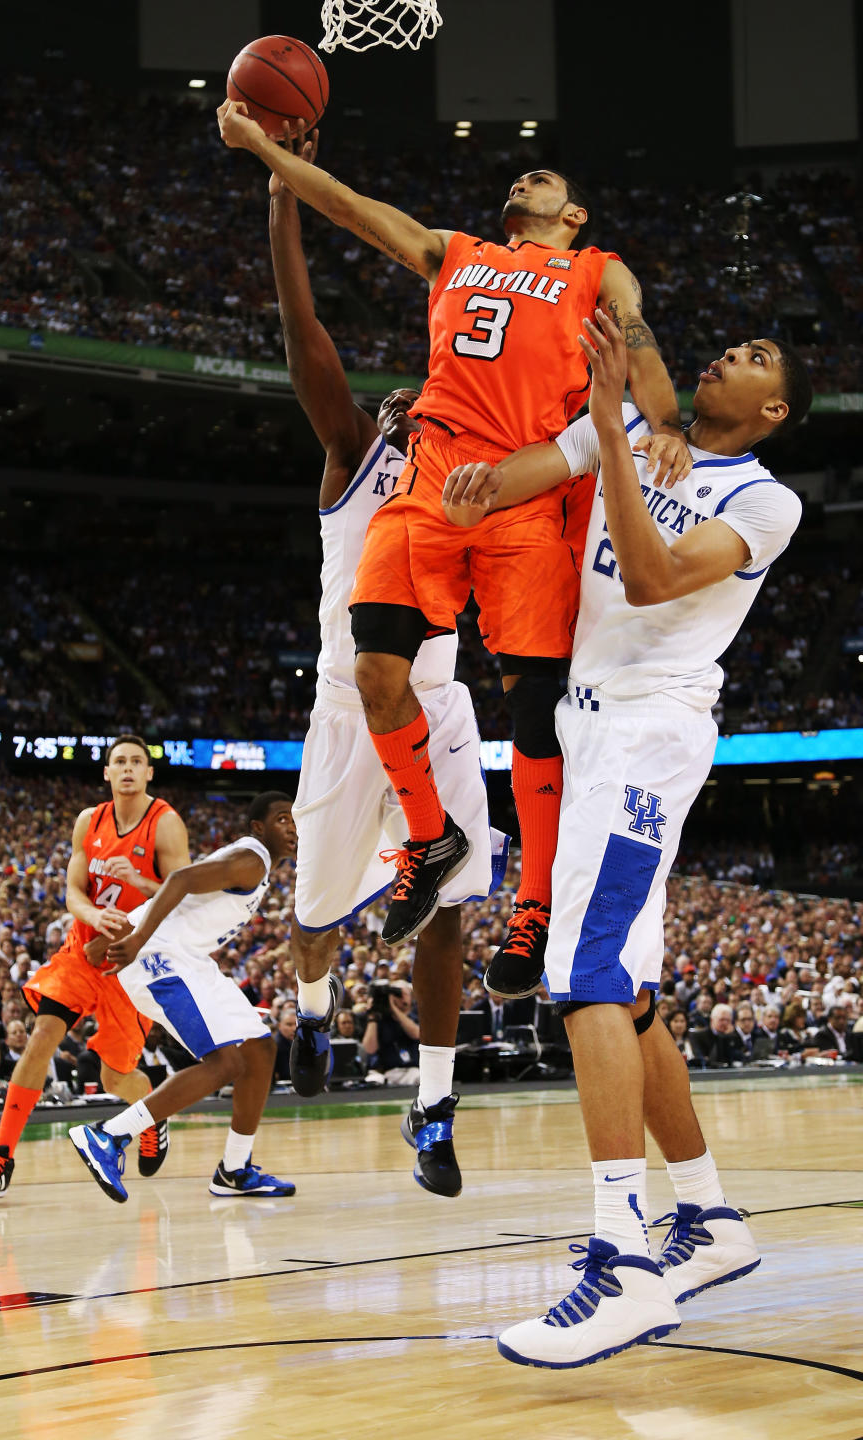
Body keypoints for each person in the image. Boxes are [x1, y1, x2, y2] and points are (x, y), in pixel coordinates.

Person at [218, 102, 690, 988]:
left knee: (533, 711)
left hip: (530, 488)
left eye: (542, 179)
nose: (524, 180)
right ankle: (430, 837)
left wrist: (665, 423)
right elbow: (358, 210)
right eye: (520, 176)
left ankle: (537, 906)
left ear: (575, 214)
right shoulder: (457, 250)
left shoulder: (597, 268)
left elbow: (641, 342)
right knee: (376, 674)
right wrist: (266, 155)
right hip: (433, 474)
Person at [444, 311, 811, 1367]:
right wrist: (463, 475)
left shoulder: (762, 500)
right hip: (588, 722)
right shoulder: (652, 433)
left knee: (586, 972)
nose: (724, 355)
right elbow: (540, 446)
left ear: (774, 410)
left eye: (750, 359)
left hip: (646, 731)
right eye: (726, 344)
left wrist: (610, 427)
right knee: (630, 992)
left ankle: (624, 1264)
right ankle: (707, 1218)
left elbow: (652, 579)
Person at [267, 123, 507, 1197]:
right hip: (344, 708)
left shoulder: (472, 486)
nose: (415, 406)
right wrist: (282, 181)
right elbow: (300, 322)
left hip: (440, 704)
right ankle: (314, 1013)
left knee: (451, 898)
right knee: (315, 916)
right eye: (400, 402)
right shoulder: (354, 465)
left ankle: (435, 1104)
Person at [0, 735, 190, 1204]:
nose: (127, 768)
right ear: (106, 773)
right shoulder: (90, 820)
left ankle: (152, 1113)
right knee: (42, 1033)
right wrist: (92, 920)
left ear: (150, 773)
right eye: (118, 762)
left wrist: (139, 883)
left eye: (136, 762)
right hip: (82, 952)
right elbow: (72, 890)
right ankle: (1, 1158)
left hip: (133, 963)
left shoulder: (164, 824)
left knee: (114, 1079)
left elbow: (183, 897)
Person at [68, 792, 297, 1202]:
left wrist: (114, 936)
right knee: (226, 1062)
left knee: (260, 1050)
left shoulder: (256, 866)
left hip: (187, 958)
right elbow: (181, 880)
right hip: (160, 958)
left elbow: (181, 899)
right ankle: (109, 1135)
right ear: (259, 827)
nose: (293, 828)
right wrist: (135, 938)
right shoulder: (253, 859)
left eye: (295, 820)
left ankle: (234, 1169)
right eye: (282, 819)